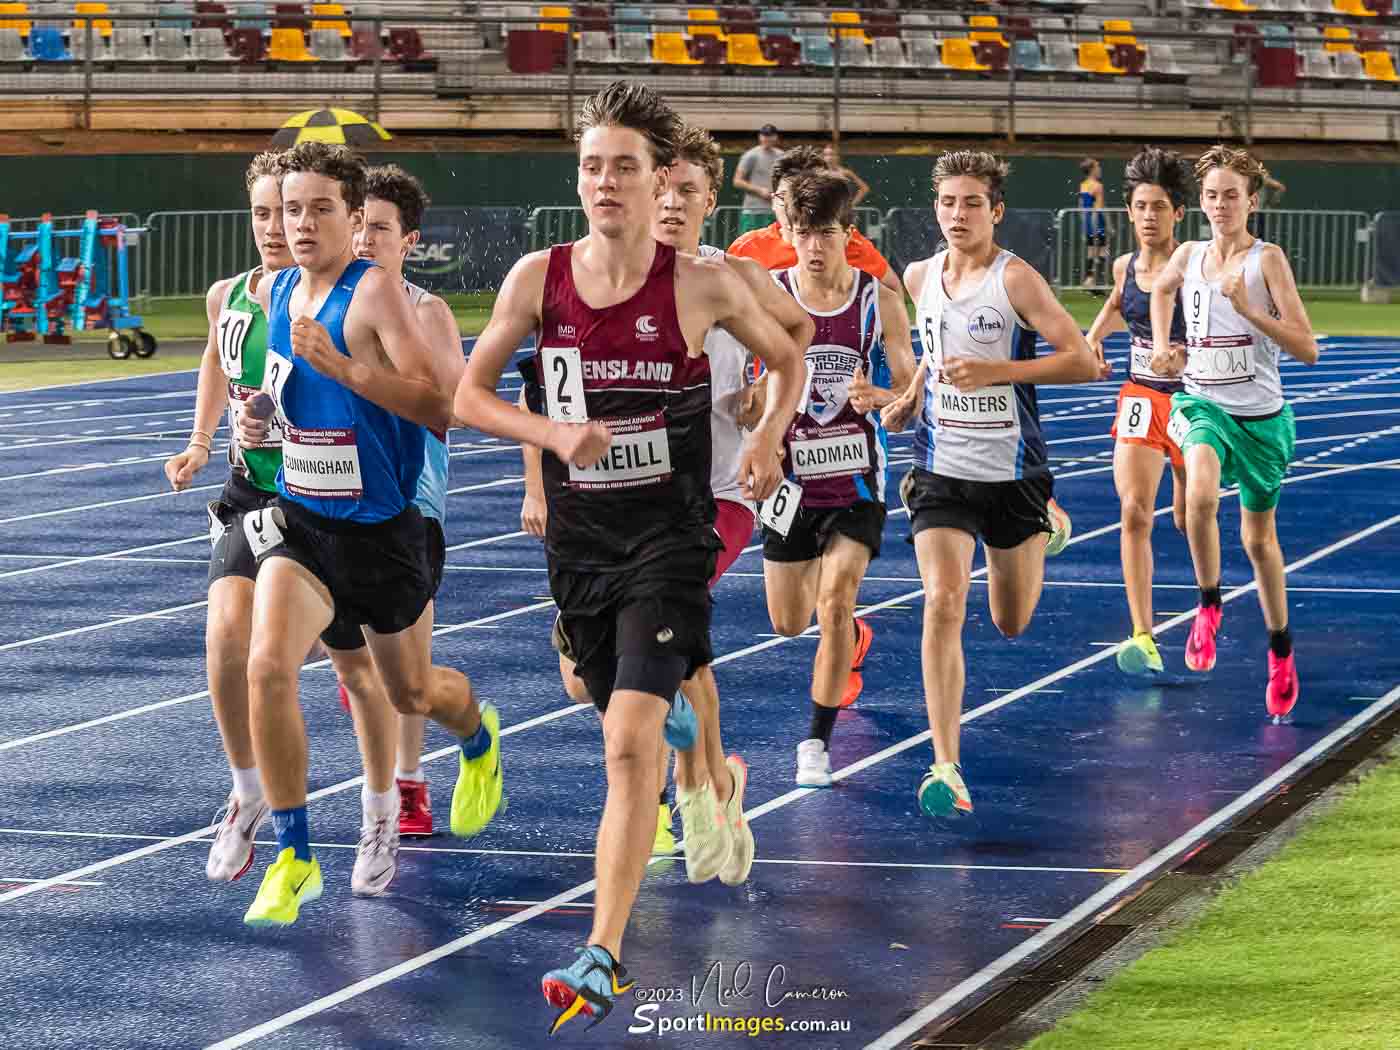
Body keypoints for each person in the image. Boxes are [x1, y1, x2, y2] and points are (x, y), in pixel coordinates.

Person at [451, 81, 804, 1034]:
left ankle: (602, 952)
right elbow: (467, 397)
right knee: (587, 692)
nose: (607, 181)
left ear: (661, 186)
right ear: (580, 179)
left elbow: (792, 355)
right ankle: (690, 744)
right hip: (580, 544)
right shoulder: (539, 278)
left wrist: (768, 434)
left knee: (623, 746)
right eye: (593, 165)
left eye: (626, 167)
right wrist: (551, 438)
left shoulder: (702, 285)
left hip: (670, 539)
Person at [520, 123, 813, 876]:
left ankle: (690, 789)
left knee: (667, 633)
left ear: (712, 200)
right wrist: (539, 479)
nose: (675, 203)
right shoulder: (592, 285)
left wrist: (762, 414)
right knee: (585, 671)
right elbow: (553, 391)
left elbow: (799, 335)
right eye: (667, 188)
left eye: (691, 191)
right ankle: (712, 776)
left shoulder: (728, 278)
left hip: (713, 496)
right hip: (611, 505)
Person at [237, 141, 501, 928]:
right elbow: (290, 400)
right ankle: (294, 855)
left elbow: (439, 407)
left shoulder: (378, 294)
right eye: (292, 209)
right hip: (304, 520)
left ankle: (478, 734)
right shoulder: (278, 292)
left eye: (321, 208)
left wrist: (350, 369)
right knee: (266, 665)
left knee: (411, 692)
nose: (301, 223)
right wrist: (261, 418)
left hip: (383, 531)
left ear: (356, 220)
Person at [882, 150, 1099, 818]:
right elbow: (932, 351)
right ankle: (945, 764)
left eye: (972, 203)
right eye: (948, 203)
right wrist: (911, 396)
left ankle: (1048, 523)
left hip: (1013, 475)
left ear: (996, 211)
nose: (958, 215)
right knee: (943, 600)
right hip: (940, 469)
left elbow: (1085, 362)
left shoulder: (1017, 281)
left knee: (1010, 621)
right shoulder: (918, 277)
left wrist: (999, 372)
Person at [320, 164, 465, 897]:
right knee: (359, 670)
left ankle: (409, 783)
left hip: (414, 501)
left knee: (404, 669)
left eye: (381, 228)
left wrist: (357, 376)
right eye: (360, 224)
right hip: (335, 501)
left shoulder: (426, 309)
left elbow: (446, 402)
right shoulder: (323, 299)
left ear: (408, 241)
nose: (366, 237)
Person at [753, 169, 915, 788]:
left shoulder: (880, 301)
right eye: (802, 233)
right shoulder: (767, 295)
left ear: (848, 234)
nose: (813, 246)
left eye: (825, 233)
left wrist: (888, 396)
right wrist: (753, 410)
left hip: (856, 482)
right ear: (787, 233)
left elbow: (906, 387)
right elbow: (747, 384)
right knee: (790, 622)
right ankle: (851, 637)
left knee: (835, 597)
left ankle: (814, 746)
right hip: (790, 485)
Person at [1148, 144, 1318, 720]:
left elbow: (1308, 349)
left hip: (1263, 421)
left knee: (1258, 542)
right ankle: (1209, 603)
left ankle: (1280, 649)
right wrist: (1166, 345)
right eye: (1212, 195)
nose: (1221, 205)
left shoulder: (1266, 261)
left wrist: (1248, 310)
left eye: (1231, 195)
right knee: (1198, 495)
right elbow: (1159, 288)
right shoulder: (1189, 254)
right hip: (1202, 403)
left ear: (1251, 201)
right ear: (1199, 201)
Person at [162, 151, 290, 885]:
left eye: (287, 211)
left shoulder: (330, 298)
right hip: (250, 492)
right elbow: (217, 360)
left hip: (325, 497)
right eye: (262, 213)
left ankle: (394, 787)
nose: (275, 228)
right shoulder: (227, 295)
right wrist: (200, 442)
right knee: (225, 639)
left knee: (378, 680)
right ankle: (246, 793)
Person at [1084, 146, 1194, 676]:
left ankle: (1208, 605)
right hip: (1140, 398)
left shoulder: (1193, 266)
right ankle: (1143, 635)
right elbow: (1113, 307)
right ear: (1129, 211)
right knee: (1132, 512)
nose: (1149, 216)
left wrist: (1183, 355)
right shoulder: (1125, 265)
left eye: (1160, 207)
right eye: (1141, 206)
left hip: (1193, 402)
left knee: (1192, 516)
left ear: (1177, 213)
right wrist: (1089, 342)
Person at [727, 145, 904, 299]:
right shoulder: (748, 249)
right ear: (773, 201)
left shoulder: (848, 242)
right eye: (784, 196)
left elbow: (893, 288)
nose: (793, 206)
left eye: (803, 198)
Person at [732, 123, 782, 234]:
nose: (767, 138)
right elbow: (737, 181)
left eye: (770, 135)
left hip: (775, 210)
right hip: (753, 211)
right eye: (764, 135)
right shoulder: (751, 155)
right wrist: (760, 191)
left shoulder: (781, 156)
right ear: (760, 137)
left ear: (776, 137)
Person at [1079, 157, 1108, 290]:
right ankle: (1096, 282)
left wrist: (1084, 224)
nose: (1100, 169)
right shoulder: (1098, 186)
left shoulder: (1083, 185)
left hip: (1087, 223)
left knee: (1091, 252)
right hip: (1098, 223)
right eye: (1097, 167)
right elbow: (1100, 207)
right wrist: (1109, 225)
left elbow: (1080, 207)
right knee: (1102, 251)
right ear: (1092, 170)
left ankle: (1090, 279)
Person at [822, 141, 871, 207]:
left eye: (832, 154)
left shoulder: (845, 172)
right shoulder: (820, 173)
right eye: (826, 155)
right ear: (823, 157)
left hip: (840, 210)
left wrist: (851, 205)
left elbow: (865, 188)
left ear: (838, 157)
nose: (829, 158)